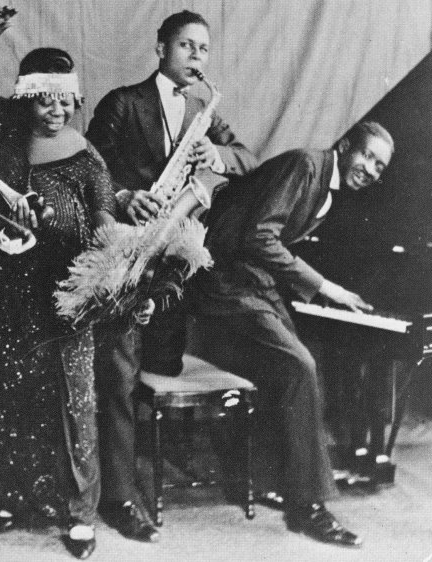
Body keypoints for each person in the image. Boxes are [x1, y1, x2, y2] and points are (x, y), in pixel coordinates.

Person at [0, 9, 120, 559]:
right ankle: (16, 496)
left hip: (63, 296)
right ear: (25, 98)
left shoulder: (89, 160)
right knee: (8, 394)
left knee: (74, 404)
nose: (57, 111)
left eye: (65, 101)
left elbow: (109, 228)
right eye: (46, 100)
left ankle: (81, 514)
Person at [83, 9, 257, 543]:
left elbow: (249, 159)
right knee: (116, 377)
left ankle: (140, 476)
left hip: (173, 264)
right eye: (186, 47)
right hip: (126, 252)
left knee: (156, 369)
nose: (196, 58)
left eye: (203, 49)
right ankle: (119, 496)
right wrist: (121, 197)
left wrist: (219, 156)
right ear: (160, 49)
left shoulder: (203, 108)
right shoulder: (122, 102)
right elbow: (88, 169)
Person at [190, 121, 393, 548]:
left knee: (296, 369)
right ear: (344, 146)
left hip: (252, 282)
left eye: (380, 166)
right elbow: (260, 237)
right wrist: (327, 288)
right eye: (368, 156)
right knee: (300, 365)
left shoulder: (326, 182)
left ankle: (274, 480)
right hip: (223, 283)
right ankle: (309, 507)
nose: (372, 170)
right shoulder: (306, 165)